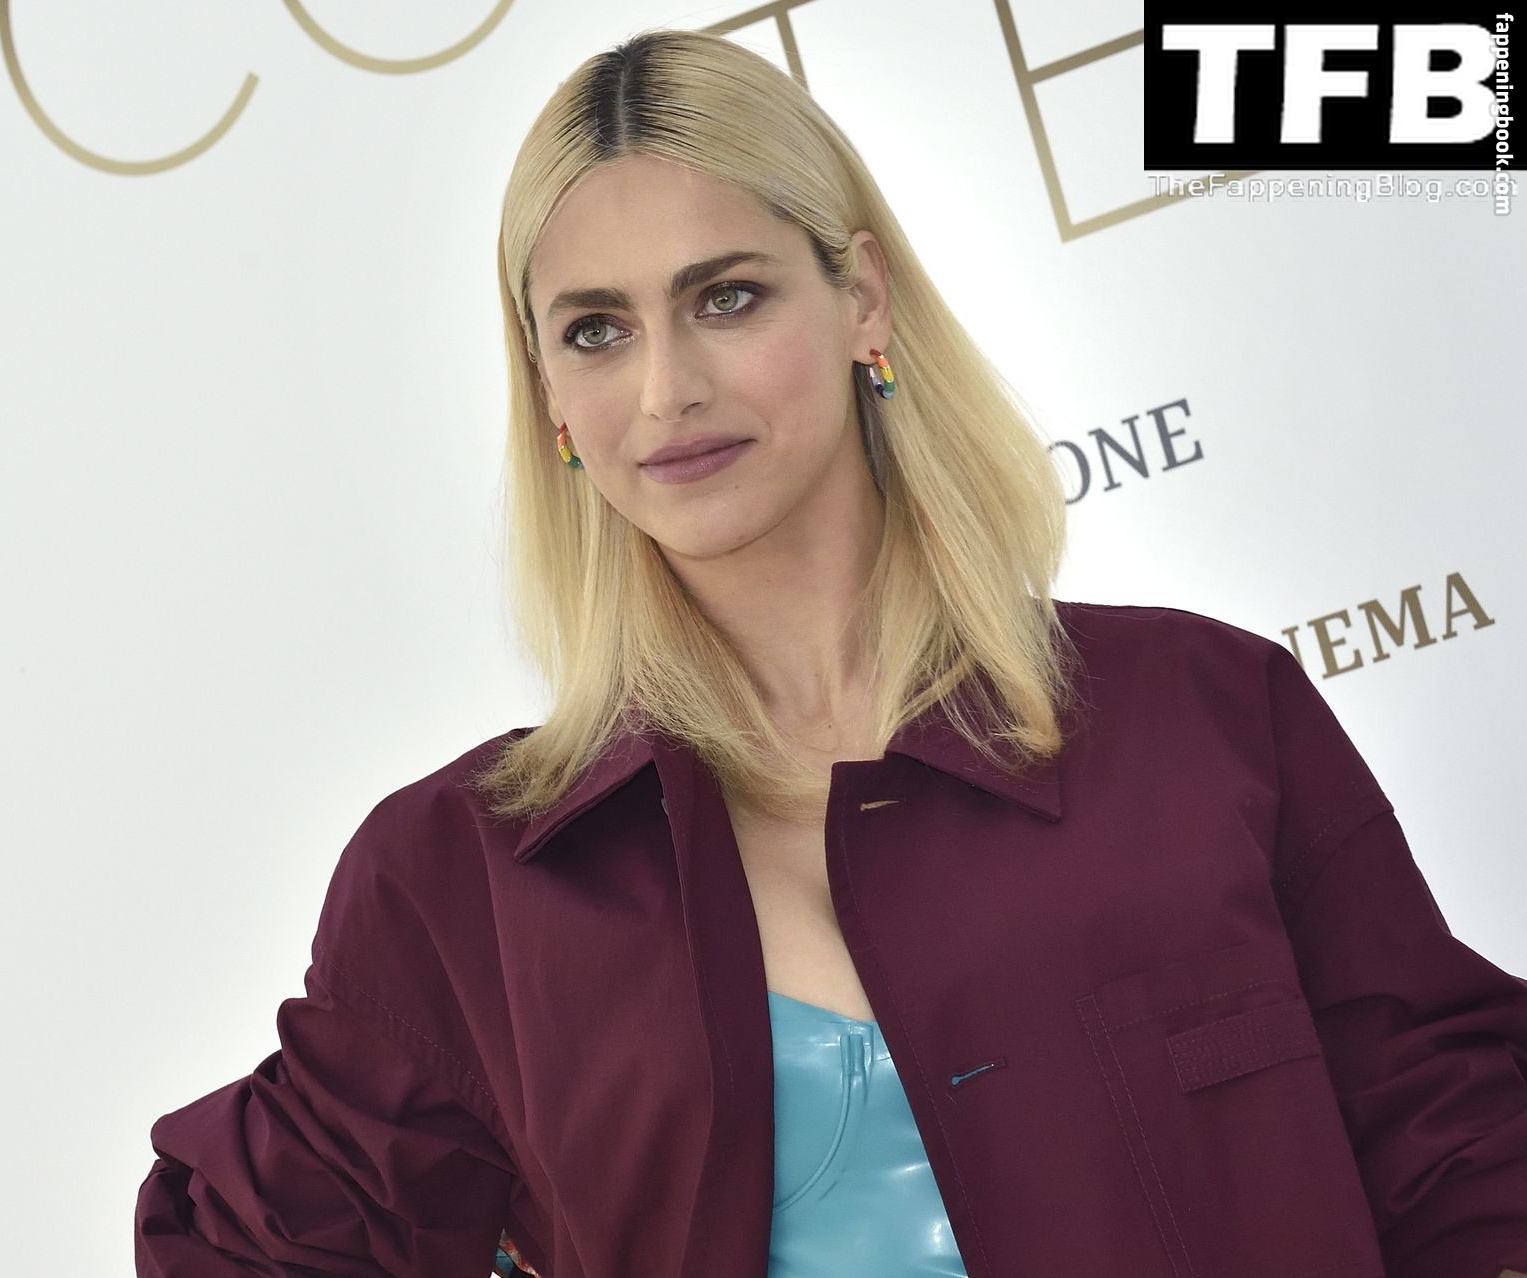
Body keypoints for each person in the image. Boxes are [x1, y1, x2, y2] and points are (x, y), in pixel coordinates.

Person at [133, 27, 1527, 1278]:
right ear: (549, 389)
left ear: (860, 297)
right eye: (597, 331)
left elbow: (1470, 1165)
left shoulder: (1210, 719)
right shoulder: (458, 883)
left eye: (726, 297)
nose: (667, 388)